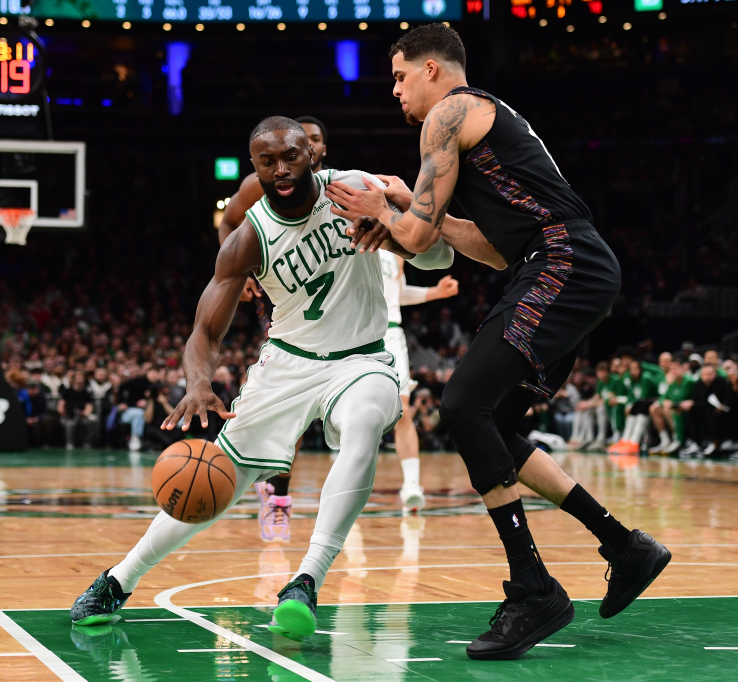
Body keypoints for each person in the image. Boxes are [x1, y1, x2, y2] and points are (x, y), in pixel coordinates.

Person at [326, 24, 670, 659]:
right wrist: (405, 208)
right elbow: (488, 248)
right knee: (497, 427)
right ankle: (625, 545)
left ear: (432, 70)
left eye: (400, 76)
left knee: (463, 404)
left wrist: (383, 211)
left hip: (561, 263)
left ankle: (534, 590)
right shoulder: (486, 118)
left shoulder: (447, 115)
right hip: (567, 264)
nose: (395, 91)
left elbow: (417, 237)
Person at [70, 117, 454, 642]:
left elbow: (440, 255)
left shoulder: (356, 189)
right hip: (288, 364)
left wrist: (391, 221)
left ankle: (305, 581)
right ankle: (119, 579)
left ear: (311, 154)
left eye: (291, 156)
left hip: (362, 358)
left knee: (364, 421)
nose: (281, 169)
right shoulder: (248, 239)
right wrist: (198, 383)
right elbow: (205, 332)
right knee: (211, 478)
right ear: (254, 168)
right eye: (267, 162)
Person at [217, 116, 329, 542]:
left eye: (315, 140)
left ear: (317, 150)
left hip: (335, 303)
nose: (309, 146)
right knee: (291, 402)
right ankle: (278, 494)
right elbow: (228, 222)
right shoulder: (257, 186)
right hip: (284, 297)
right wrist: (244, 270)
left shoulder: (341, 187)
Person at [379, 249, 458, 511]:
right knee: (356, 413)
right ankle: (348, 488)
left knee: (402, 410)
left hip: (390, 333)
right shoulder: (350, 237)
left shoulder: (396, 251)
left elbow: (396, 293)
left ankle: (411, 485)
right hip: (357, 330)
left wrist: (434, 292)